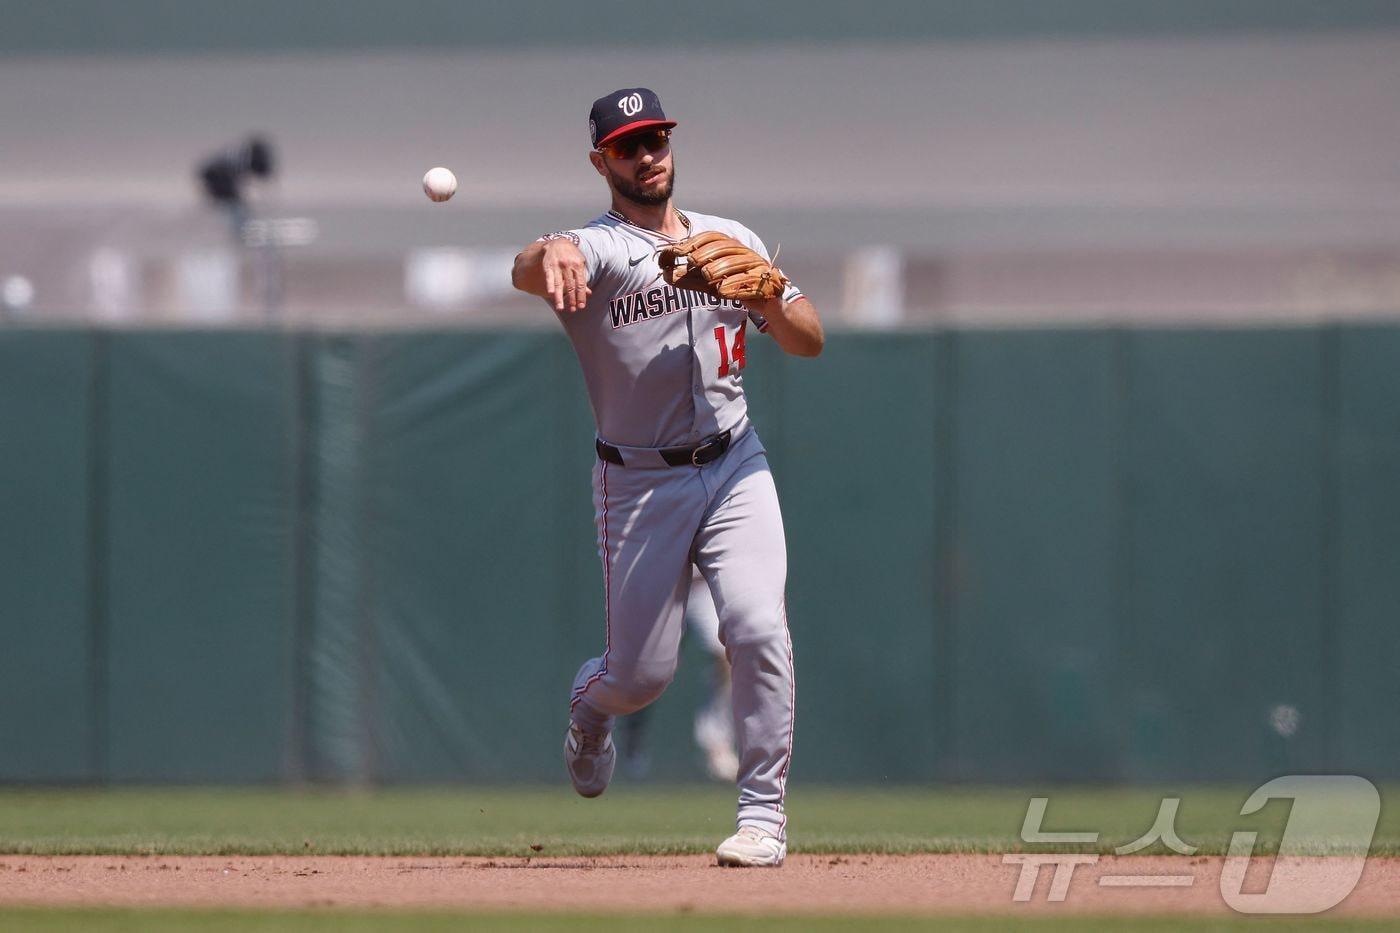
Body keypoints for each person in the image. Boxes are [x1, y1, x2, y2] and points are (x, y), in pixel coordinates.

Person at [511, 87, 824, 868]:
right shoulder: (601, 247)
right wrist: (549, 247)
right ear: (601, 161)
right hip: (639, 484)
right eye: (629, 145)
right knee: (639, 676)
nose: (648, 154)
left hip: (734, 462)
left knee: (754, 626)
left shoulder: (731, 238)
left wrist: (767, 296)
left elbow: (810, 338)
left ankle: (762, 818)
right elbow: (534, 268)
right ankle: (590, 712)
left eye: (657, 138)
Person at [620, 568, 739, 784]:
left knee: (725, 654)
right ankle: (633, 729)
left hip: (704, 589)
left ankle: (716, 742)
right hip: (666, 590)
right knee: (653, 673)